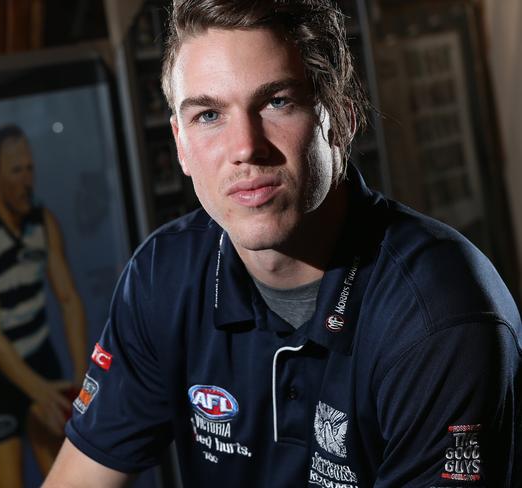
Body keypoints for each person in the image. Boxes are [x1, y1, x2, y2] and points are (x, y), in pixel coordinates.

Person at [44, 1, 521, 486]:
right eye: (209, 115)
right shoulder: (163, 277)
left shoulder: (438, 315)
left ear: (342, 116)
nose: (246, 147)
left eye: (277, 102)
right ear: (180, 145)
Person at [0, 124, 88, 487]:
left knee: (71, 476)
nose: (26, 179)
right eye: (16, 170)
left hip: (37, 352)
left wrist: (77, 383)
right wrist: (41, 393)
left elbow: (68, 299)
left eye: (29, 168)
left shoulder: (42, 222)